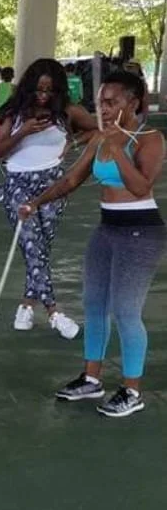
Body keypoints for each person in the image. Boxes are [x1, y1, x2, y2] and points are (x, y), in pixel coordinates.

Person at [19, 71, 164, 417]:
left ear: (133, 102)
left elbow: (142, 187)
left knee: (126, 311)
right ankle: (91, 378)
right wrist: (35, 203)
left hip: (141, 231)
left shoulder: (151, 138)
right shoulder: (101, 137)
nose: (103, 108)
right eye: (100, 101)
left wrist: (117, 149)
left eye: (111, 101)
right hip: (108, 228)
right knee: (94, 304)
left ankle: (132, 390)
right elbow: (71, 178)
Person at [0, 58, 99, 338]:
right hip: (18, 183)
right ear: (28, 87)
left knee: (39, 251)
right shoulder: (11, 113)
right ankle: (54, 312)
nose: (44, 94)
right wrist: (23, 131)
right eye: (39, 88)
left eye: (49, 90)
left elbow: (96, 128)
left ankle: (26, 305)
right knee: (31, 245)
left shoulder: (67, 112)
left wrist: (72, 143)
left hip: (53, 185)